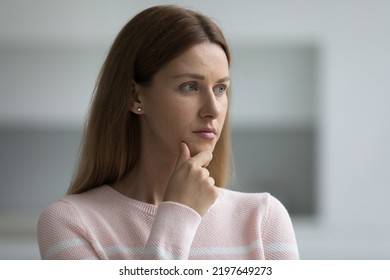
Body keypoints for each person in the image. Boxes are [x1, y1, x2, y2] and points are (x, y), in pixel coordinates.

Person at [37, 5, 299, 260]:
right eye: (190, 87)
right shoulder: (70, 223)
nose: (213, 109)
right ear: (135, 96)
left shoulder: (263, 219)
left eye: (220, 89)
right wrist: (179, 215)